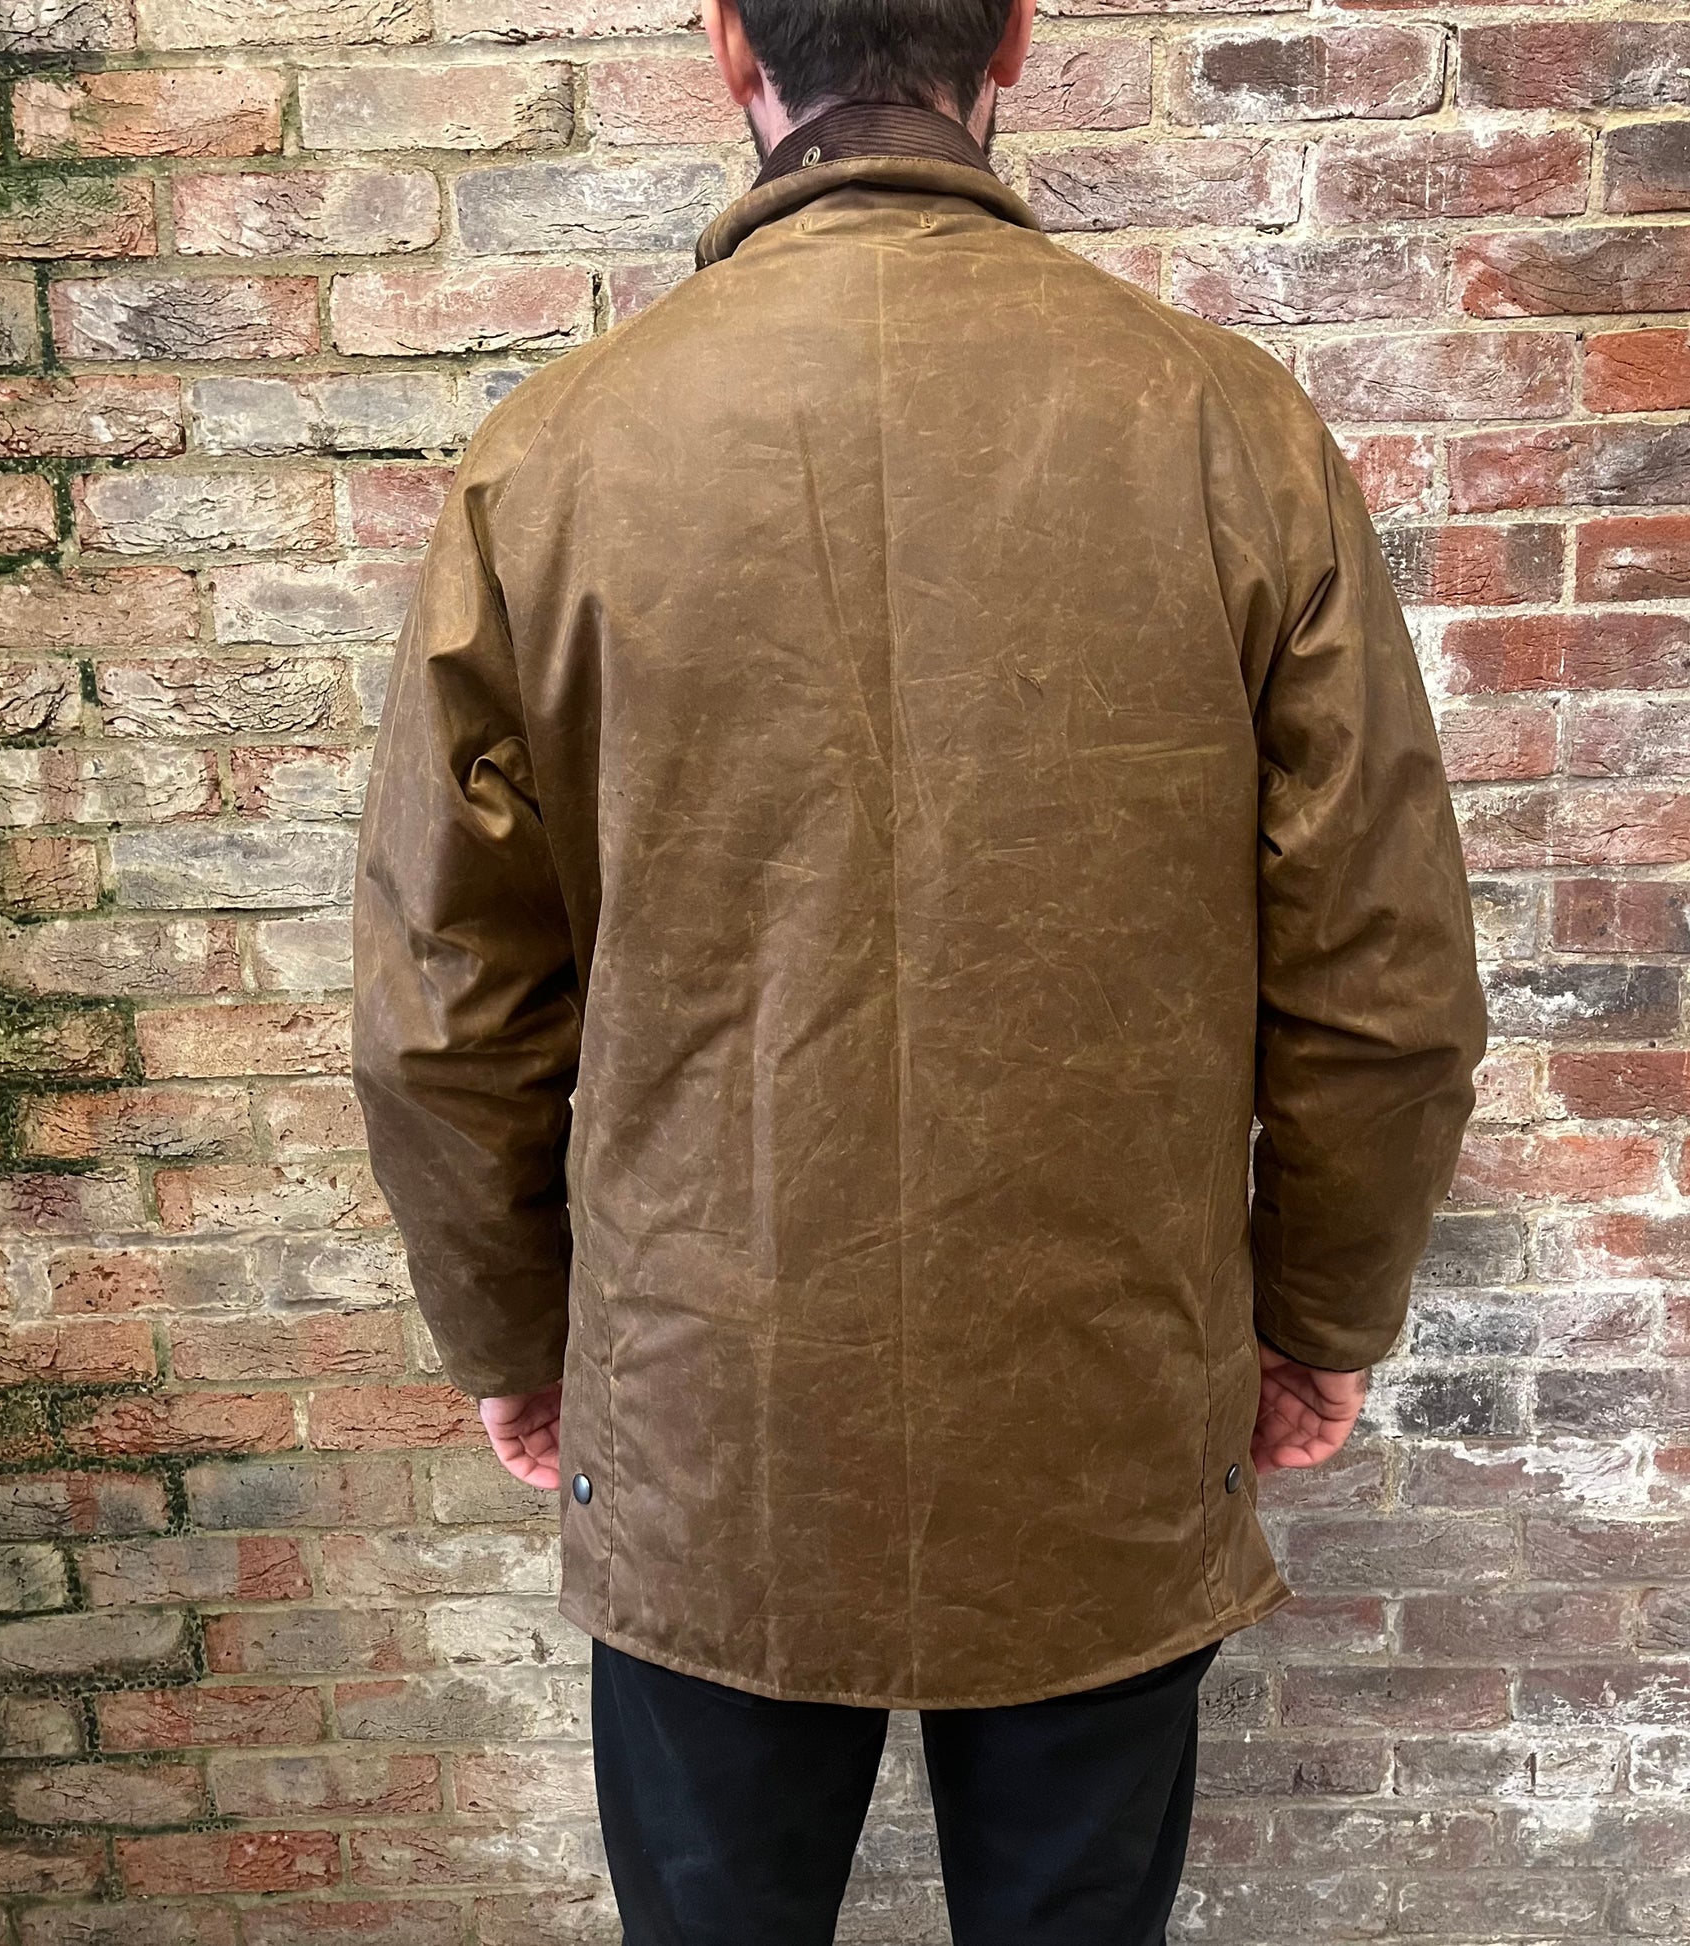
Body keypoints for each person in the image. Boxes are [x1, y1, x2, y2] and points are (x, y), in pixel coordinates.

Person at [350, 0, 1489, 1937]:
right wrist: (1315, 1316)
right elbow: (1377, 983)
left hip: (708, 1421)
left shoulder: (547, 466)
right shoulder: (1232, 439)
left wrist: (517, 1337)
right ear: (1016, 41)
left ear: (728, 48)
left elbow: (447, 1014)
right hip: (1108, 1404)